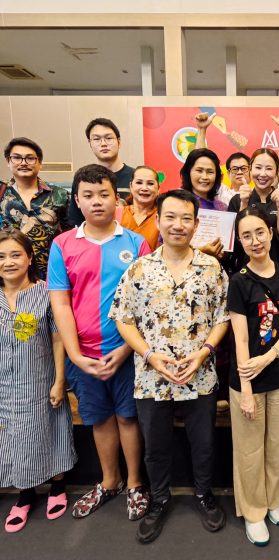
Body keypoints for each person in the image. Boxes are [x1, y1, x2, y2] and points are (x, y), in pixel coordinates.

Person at [110, 189, 230, 543]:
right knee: (156, 446)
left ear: (196, 223)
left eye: (186, 218)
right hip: (152, 377)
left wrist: (204, 352)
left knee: (203, 443)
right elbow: (123, 319)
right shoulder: (139, 268)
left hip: (200, 374)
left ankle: (204, 495)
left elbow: (222, 318)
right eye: (171, 217)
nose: (178, 225)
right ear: (159, 221)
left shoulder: (212, 268)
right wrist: (149, 355)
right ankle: (159, 499)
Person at [48, 164, 151, 521]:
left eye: (104, 194)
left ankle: (135, 483)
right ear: (77, 200)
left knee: (128, 418)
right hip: (84, 356)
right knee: (99, 419)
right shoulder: (62, 245)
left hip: (127, 353)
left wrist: (126, 349)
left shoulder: (136, 243)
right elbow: (60, 303)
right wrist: (75, 355)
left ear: (116, 199)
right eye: (88, 195)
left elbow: (145, 304)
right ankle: (110, 481)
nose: (97, 202)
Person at [227, 207, 279, 546]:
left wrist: (270, 356)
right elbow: (240, 339)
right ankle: (253, 510)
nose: (255, 240)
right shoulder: (239, 281)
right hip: (248, 379)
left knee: (274, 444)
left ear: (271, 232)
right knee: (249, 449)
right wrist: (245, 389)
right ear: (240, 241)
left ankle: (272, 498)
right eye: (246, 235)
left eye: (260, 232)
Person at [0, 229, 76, 532]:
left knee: (49, 431)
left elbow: (58, 338)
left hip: (40, 379)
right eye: (1, 256)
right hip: (4, 385)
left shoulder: (45, 292)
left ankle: (57, 487)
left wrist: (59, 380)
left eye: (15, 255)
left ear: (30, 258)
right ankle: (25, 494)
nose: (8, 262)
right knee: (14, 439)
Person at [1, 137, 69, 279]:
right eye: (17, 158)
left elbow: (69, 236)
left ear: (40, 163)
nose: (23, 163)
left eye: (30, 158)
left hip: (50, 276)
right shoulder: (1, 192)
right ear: (8, 161)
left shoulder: (59, 195)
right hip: (7, 276)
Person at [194, 111, 279, 206]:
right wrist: (202, 130)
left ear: (251, 170)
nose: (240, 172)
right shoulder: (221, 193)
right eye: (235, 169)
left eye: (244, 168)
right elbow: (200, 161)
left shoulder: (263, 190)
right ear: (228, 173)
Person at [228, 148, 279, 273]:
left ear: (277, 172)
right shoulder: (237, 200)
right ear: (250, 169)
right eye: (258, 167)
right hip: (246, 272)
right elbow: (235, 242)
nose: (263, 174)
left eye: (269, 168)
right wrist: (244, 203)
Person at [68, 117, 135, 226]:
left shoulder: (136, 177)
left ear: (119, 142)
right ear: (90, 143)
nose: (103, 143)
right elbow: (76, 220)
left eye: (108, 138)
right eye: (96, 139)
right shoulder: (82, 179)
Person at [116, 166, 160, 251]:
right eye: (139, 183)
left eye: (150, 184)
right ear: (130, 186)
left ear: (158, 189)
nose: (144, 188)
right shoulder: (116, 214)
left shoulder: (163, 217)